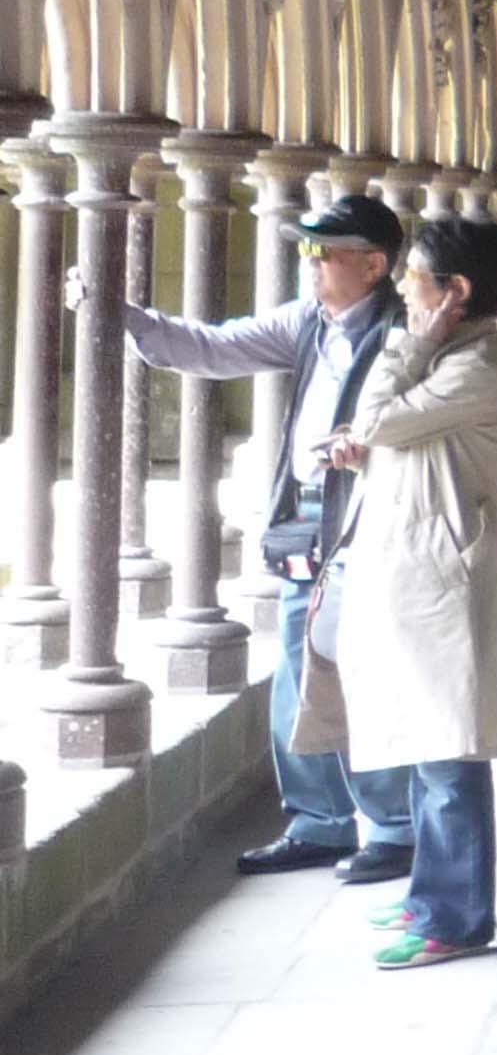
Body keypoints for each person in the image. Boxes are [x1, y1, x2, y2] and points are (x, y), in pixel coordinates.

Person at [119, 192, 418, 886]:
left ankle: (396, 827)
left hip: (372, 520)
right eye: (305, 248)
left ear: (373, 265)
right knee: (297, 670)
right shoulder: (308, 320)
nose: (308, 262)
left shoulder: (405, 332)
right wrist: (125, 316)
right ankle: (320, 821)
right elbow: (215, 347)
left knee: (366, 674)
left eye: (323, 251)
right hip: (306, 519)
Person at [307, 213, 497, 970]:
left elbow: (374, 416)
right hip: (415, 571)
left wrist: (411, 345)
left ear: (453, 292)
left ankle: (453, 918)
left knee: (449, 753)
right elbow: (399, 441)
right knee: (429, 747)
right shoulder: (454, 357)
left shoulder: (474, 366)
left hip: (440, 582)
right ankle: (432, 893)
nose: (403, 286)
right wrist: (362, 453)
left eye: (415, 276)